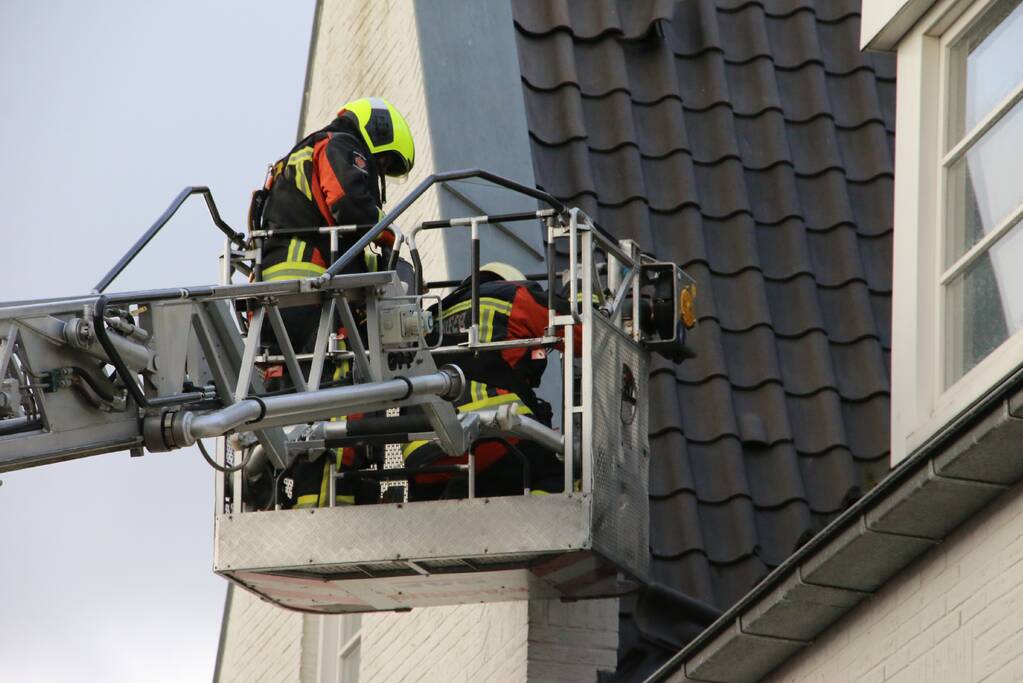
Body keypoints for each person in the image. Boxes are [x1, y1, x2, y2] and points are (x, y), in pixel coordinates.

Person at [247, 97, 415, 509]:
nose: (377, 171)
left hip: (274, 300)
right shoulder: (342, 144)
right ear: (378, 131)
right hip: (308, 294)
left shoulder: (296, 157)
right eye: (381, 163)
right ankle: (325, 497)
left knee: (294, 402)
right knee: (333, 397)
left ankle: (284, 493)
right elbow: (350, 205)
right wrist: (389, 239)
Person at [403, 262, 580, 501]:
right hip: (489, 434)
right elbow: (580, 334)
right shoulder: (512, 296)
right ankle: (536, 517)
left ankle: (459, 495)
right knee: (558, 469)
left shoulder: (432, 316)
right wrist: (585, 302)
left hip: (421, 455)